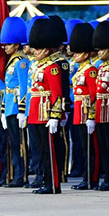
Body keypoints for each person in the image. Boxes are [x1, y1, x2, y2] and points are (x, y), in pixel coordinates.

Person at [27, 18, 68, 195]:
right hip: (35, 112)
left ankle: (53, 183)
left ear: (45, 48)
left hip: (46, 111)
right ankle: (45, 179)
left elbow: (57, 93)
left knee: (50, 149)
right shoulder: (38, 66)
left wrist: (55, 115)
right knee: (41, 149)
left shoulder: (52, 68)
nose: (33, 51)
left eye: (36, 48)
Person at [0, 16, 30, 188]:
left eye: (9, 44)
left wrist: (23, 110)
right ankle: (16, 174)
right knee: (13, 144)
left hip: (18, 107)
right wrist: (3, 110)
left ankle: (22, 175)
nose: (6, 47)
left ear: (17, 44)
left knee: (20, 144)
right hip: (10, 106)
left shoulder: (21, 62)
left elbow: (24, 87)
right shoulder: (13, 61)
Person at [69, 22, 100, 190]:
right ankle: (86, 177)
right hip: (78, 112)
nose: (75, 55)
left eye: (79, 52)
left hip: (87, 113)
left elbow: (94, 95)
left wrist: (91, 116)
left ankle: (91, 178)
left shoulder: (90, 70)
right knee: (82, 147)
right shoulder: (80, 69)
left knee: (90, 149)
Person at [91, 21, 109, 191]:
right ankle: (106, 177)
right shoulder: (101, 67)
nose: (100, 52)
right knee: (103, 147)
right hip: (100, 111)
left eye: (102, 49)